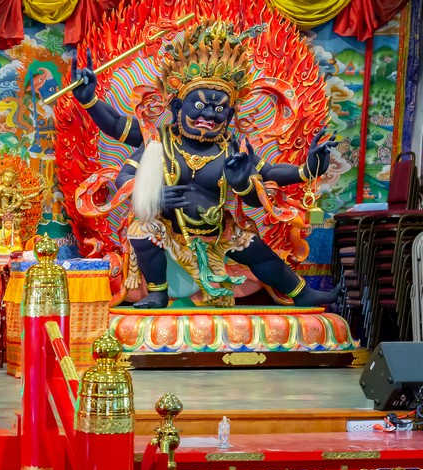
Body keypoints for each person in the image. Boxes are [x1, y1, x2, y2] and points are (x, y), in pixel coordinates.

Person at [70, 21, 339, 308]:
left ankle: (301, 293)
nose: (209, 115)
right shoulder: (158, 141)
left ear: (230, 115)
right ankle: (158, 293)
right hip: (169, 230)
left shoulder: (232, 147)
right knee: (142, 229)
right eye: (199, 106)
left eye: (219, 108)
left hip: (218, 231)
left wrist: (308, 170)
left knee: (259, 252)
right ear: (177, 107)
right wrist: (90, 101)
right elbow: (117, 135)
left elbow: (268, 172)